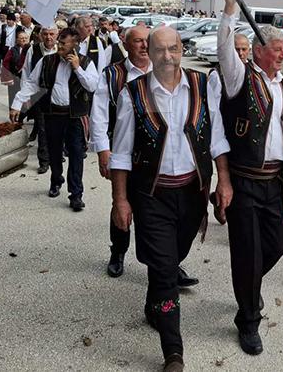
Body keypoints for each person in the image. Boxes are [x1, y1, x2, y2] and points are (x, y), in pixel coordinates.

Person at [110, 26, 231, 372]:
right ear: (148, 53)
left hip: (192, 193)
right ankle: (173, 353)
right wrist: (120, 200)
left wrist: (224, 180)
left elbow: (217, 139)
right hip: (152, 195)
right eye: (160, 50)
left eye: (173, 49)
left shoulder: (202, 85)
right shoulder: (132, 94)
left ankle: (155, 303)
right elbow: (121, 153)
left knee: (173, 256)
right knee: (165, 271)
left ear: (181, 50)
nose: (167, 56)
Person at [217, 0, 283, 356]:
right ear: (258, 51)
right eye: (277, 49)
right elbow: (225, 49)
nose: (282, 54)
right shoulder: (239, 76)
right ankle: (248, 319)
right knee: (248, 252)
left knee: (275, 246)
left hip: (274, 182)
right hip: (244, 181)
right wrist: (229, 8)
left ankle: (247, 286)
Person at [10, 27, 99, 211]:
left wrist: (77, 68)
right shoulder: (47, 61)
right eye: (60, 42)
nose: (59, 46)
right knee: (54, 152)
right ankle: (56, 180)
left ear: (75, 44)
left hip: (75, 116)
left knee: (76, 155)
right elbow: (32, 83)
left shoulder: (85, 62)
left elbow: (92, 86)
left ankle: (76, 194)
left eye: (64, 43)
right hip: (53, 114)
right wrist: (17, 102)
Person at [90, 25, 152, 278]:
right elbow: (99, 114)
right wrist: (103, 150)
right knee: (122, 201)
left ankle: (166, 262)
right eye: (138, 41)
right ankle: (118, 252)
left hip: (156, 155)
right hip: (124, 153)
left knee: (158, 211)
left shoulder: (163, 71)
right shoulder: (113, 74)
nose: (144, 46)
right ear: (125, 45)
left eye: (148, 41)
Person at [22, 26, 59, 174]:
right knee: (42, 128)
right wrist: (25, 96)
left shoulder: (62, 49)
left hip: (59, 96)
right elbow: (26, 72)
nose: (48, 37)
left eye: (52, 34)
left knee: (58, 128)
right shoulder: (33, 49)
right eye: (45, 34)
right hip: (39, 94)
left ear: (57, 35)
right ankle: (44, 161)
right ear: (40, 35)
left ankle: (56, 155)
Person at [1, 30, 31, 115]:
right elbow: (6, 63)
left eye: (26, 38)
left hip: (28, 78)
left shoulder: (32, 49)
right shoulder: (12, 50)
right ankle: (14, 115)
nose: (24, 40)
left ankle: (26, 114)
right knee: (14, 97)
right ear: (17, 40)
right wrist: (8, 78)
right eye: (21, 38)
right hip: (15, 78)